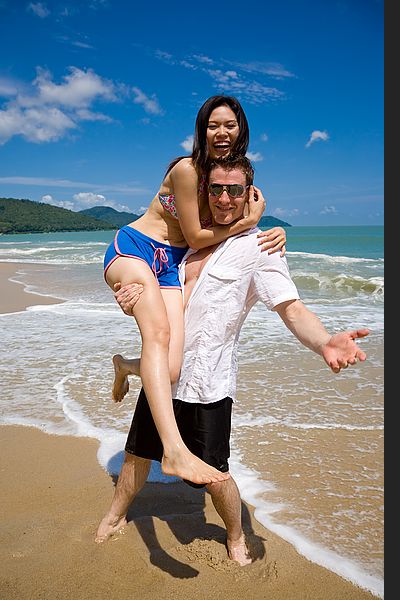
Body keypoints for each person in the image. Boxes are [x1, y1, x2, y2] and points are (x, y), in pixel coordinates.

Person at [96, 156, 369, 565]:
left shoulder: (260, 248)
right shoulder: (186, 241)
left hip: (208, 383)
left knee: (217, 473)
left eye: (235, 190)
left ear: (250, 195)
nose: (225, 198)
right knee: (137, 452)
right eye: (216, 189)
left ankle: (237, 536)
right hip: (164, 378)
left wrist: (324, 342)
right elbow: (148, 285)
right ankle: (116, 514)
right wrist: (126, 298)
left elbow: (291, 308)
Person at [103, 96, 286, 485]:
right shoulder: (188, 170)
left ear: (242, 131)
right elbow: (198, 235)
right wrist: (251, 220)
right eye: (213, 125)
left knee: (171, 368)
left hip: (170, 265)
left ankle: (125, 366)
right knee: (158, 334)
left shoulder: (228, 179)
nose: (221, 132)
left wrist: (273, 229)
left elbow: (233, 221)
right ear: (201, 130)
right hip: (136, 249)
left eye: (230, 125)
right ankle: (173, 451)